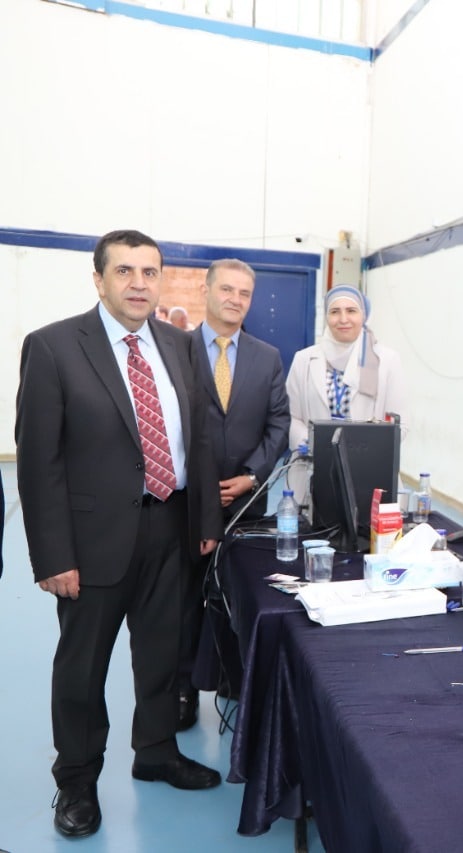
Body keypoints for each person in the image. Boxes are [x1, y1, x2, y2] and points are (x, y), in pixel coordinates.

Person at [15, 229, 224, 839]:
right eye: (125, 271)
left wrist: (205, 520)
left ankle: (156, 751)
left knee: (162, 653)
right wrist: (53, 554)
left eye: (150, 272)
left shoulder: (181, 345)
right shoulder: (54, 347)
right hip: (92, 540)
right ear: (99, 279)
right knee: (83, 668)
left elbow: (198, 439)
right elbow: (39, 461)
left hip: (171, 525)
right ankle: (77, 781)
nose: (139, 283)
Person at [176, 258, 289, 728]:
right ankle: (182, 691)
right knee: (183, 601)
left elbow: (278, 424)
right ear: (206, 291)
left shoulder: (268, 357)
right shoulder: (176, 350)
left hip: (246, 503)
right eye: (226, 289)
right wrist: (201, 485)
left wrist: (252, 475)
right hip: (185, 504)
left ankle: (231, 682)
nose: (235, 299)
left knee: (239, 597)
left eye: (244, 293)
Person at [285, 284, 405, 452]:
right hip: (313, 459)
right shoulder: (303, 359)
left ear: (363, 315)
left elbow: (400, 423)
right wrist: (313, 445)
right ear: (326, 316)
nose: (343, 319)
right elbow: (291, 416)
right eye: (335, 311)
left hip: (368, 459)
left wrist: (362, 450)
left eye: (351, 311)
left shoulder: (387, 360)